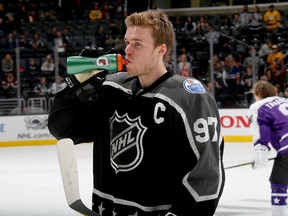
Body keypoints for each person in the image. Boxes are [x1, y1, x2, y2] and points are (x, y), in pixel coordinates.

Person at [48, 9, 225, 215]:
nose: (127, 51)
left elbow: (206, 178)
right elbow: (63, 130)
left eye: (137, 44)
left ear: (161, 50)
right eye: (127, 42)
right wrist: (76, 91)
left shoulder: (189, 96)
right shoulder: (112, 88)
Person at [249, 80, 288, 216]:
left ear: (258, 94)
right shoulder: (285, 101)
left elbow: (262, 133)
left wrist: (260, 155)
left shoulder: (259, 107)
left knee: (278, 183)